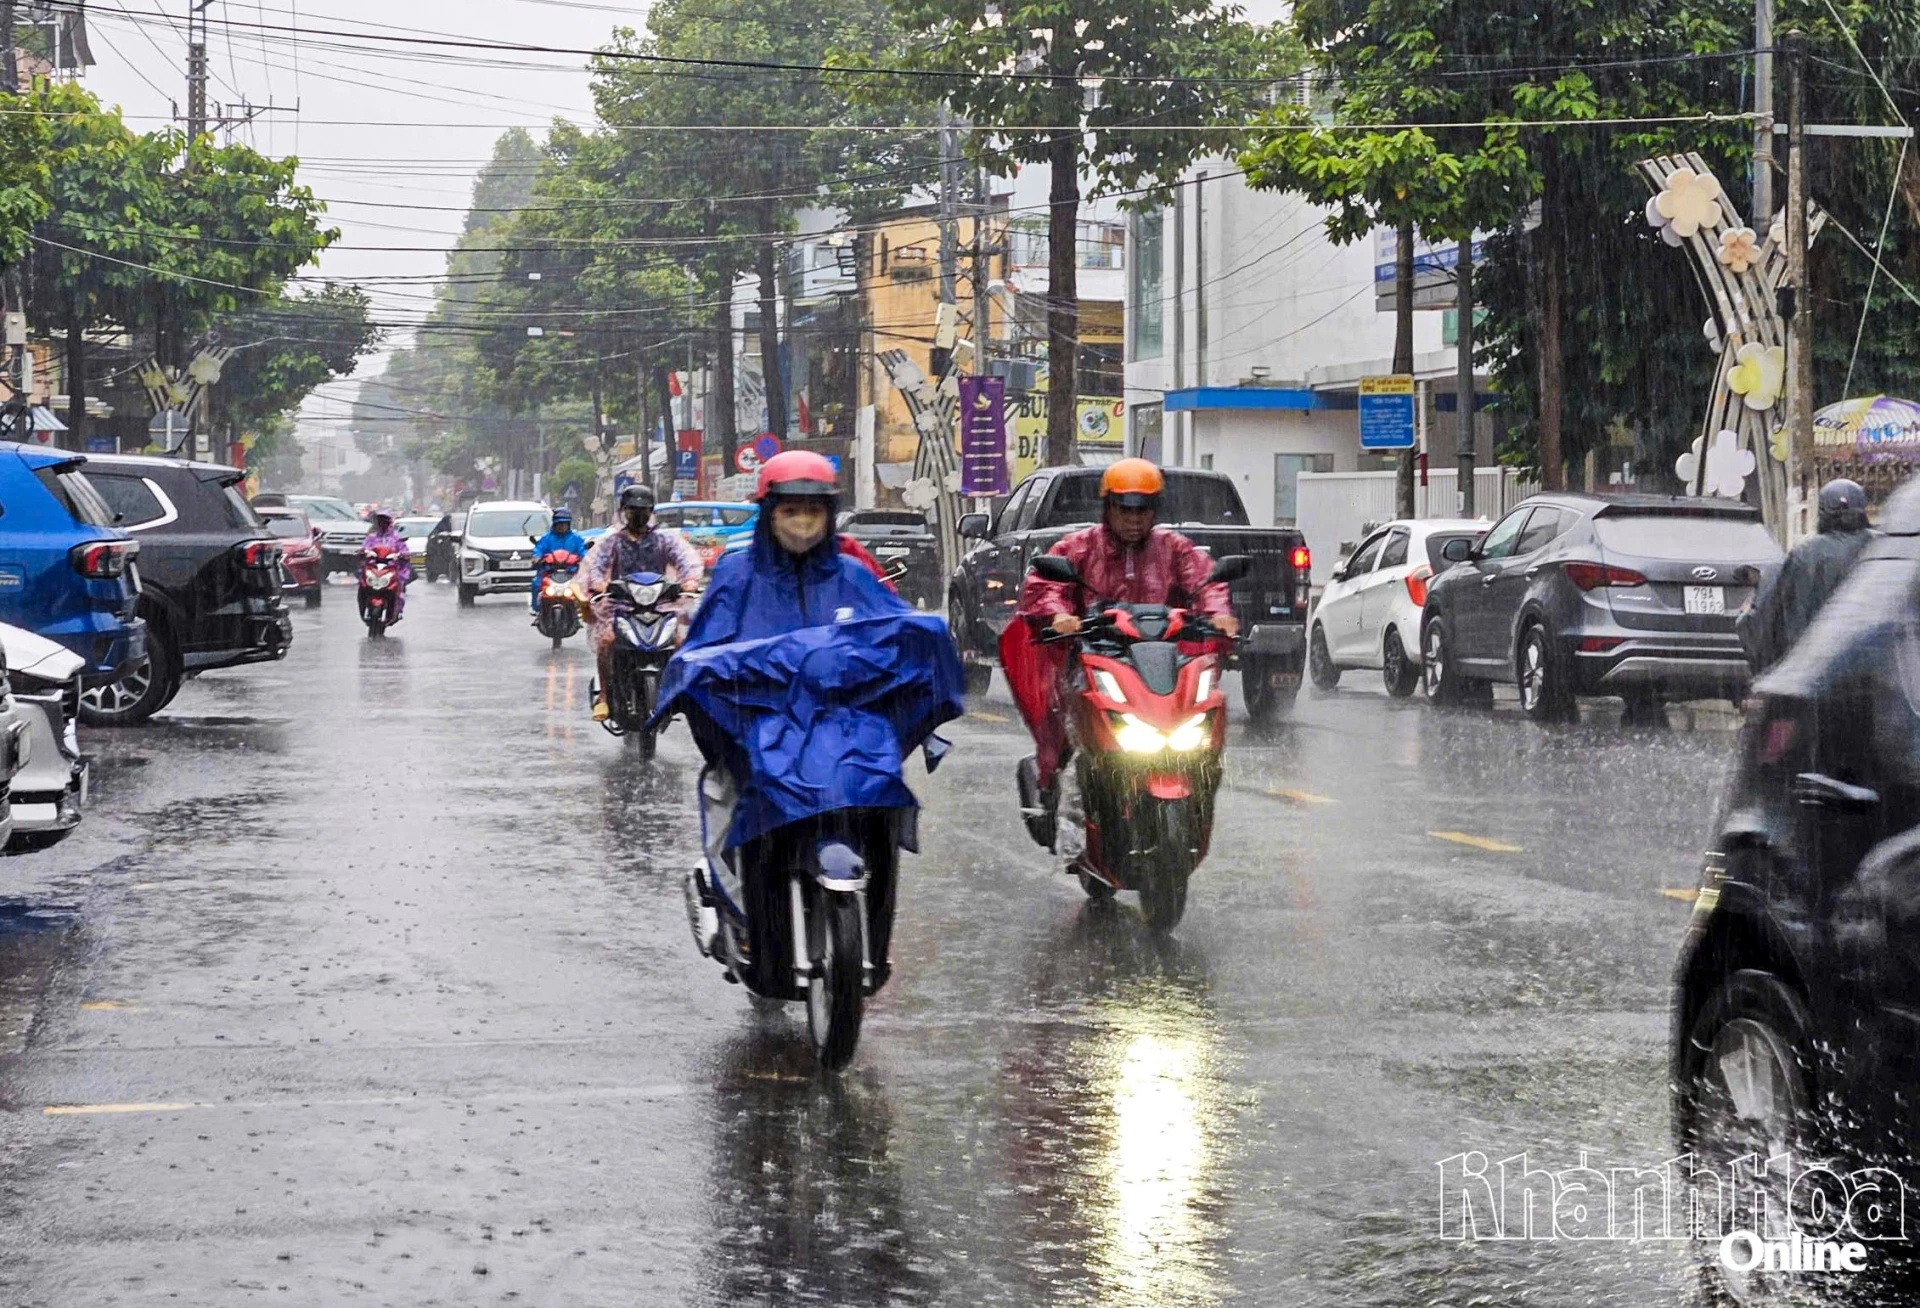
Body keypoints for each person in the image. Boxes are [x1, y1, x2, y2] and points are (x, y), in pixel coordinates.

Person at [662, 449, 961, 993]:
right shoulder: (736, 575)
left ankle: (874, 947)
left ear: (828, 516)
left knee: (880, 799)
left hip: (844, 728)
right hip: (766, 727)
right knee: (758, 805)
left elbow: (894, 627)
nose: (802, 524)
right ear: (770, 513)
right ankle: (758, 939)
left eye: (813, 512)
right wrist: (695, 672)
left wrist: (930, 640)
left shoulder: (851, 574)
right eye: (790, 512)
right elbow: (703, 647)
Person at [1005, 457, 1241, 799]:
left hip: (1163, 663)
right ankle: (1066, 800)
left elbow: (1206, 583)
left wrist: (1218, 614)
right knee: (1071, 736)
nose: (1133, 519)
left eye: (1142, 510)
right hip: (1095, 659)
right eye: (1124, 510)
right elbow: (1045, 587)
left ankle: (1197, 789)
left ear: (1154, 511)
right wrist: (1059, 615)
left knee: (1201, 735)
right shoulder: (1078, 547)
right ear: (1108, 508)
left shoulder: (1175, 548)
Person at [583, 485, 704, 721]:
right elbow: (597, 567)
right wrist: (598, 583)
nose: (638, 515)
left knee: (680, 641)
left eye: (643, 510)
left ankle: (681, 691)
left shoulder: (663, 540)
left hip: (660, 606)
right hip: (622, 607)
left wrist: (689, 581)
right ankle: (605, 697)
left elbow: (685, 560)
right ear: (623, 512)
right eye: (632, 510)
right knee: (606, 640)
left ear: (651, 512)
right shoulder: (613, 542)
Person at [1739, 477, 1876, 673]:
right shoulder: (1883, 546)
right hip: (1871, 669)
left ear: (1822, 512)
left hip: (1813, 668)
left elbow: (1770, 611)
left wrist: (1747, 618)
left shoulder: (1805, 554)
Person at [529, 506, 589, 615]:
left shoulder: (576, 538)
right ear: (554, 523)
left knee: (586, 585)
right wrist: (537, 557)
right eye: (559, 523)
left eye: (565, 524)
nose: (562, 526)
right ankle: (536, 608)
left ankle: (581, 609)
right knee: (536, 584)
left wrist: (586, 558)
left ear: (569, 524)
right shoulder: (546, 538)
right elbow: (539, 549)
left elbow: (582, 550)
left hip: (571, 572)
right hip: (549, 571)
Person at [361, 508, 413, 617]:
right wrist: (363, 552)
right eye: (380, 521)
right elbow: (364, 548)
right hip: (374, 568)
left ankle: (397, 611)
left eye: (385, 521)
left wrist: (402, 555)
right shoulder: (371, 538)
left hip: (391, 568)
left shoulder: (396, 538)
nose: (382, 524)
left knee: (399, 588)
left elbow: (404, 550)